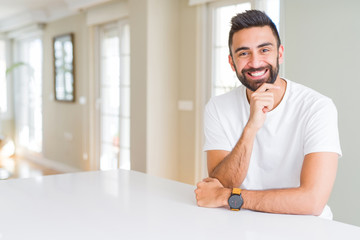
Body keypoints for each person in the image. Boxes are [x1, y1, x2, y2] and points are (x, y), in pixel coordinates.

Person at [194, 10, 341, 219]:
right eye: (243, 53)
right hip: (240, 224)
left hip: (305, 229)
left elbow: (313, 201)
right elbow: (220, 184)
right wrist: (251, 127)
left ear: (279, 53)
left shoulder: (318, 107)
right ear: (231, 62)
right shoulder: (217, 107)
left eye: (264, 50)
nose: (255, 63)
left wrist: (230, 198)